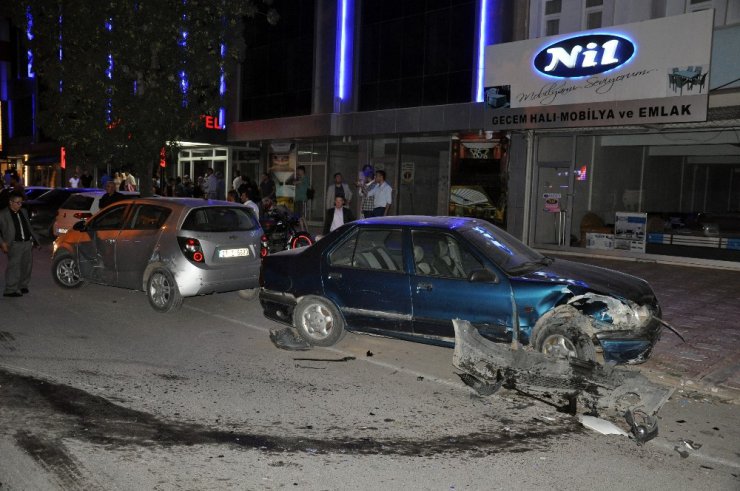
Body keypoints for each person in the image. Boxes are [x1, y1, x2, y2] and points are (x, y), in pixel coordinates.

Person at [0, 192, 39, 297]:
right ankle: (10, 289)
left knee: (26, 266)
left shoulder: (24, 211)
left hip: (27, 242)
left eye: (21, 203)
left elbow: (28, 226)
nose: (20, 205)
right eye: (17, 203)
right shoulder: (3, 214)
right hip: (14, 244)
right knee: (14, 267)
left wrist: (34, 240)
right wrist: (2, 243)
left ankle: (22, 285)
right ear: (10, 202)